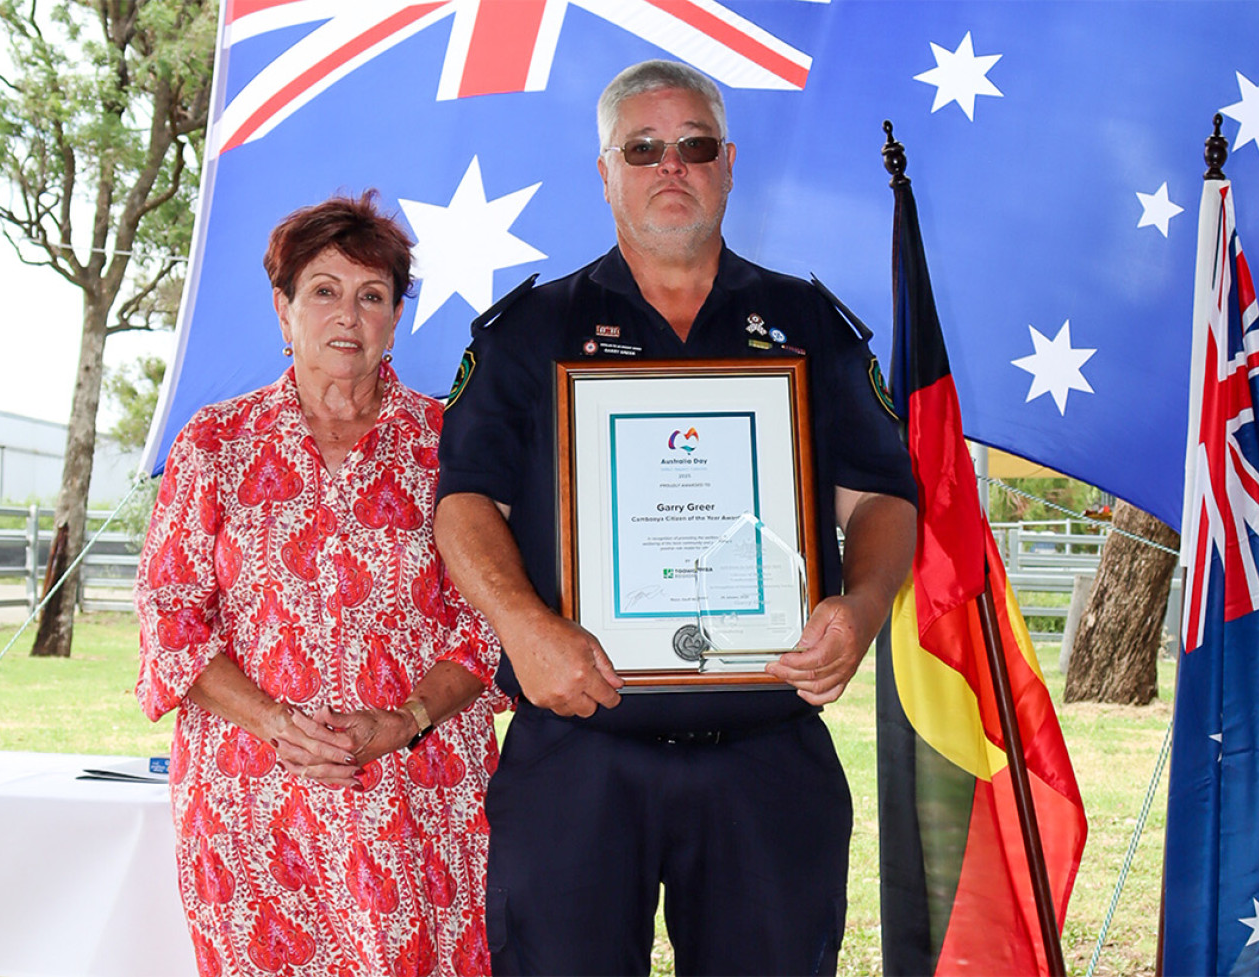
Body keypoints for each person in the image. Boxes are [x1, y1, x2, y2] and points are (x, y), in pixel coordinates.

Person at [434, 60, 918, 976]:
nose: (671, 166)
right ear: (606, 170)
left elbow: (885, 497)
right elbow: (464, 504)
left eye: (694, 145)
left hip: (766, 758)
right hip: (578, 756)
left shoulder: (808, 324)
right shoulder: (531, 331)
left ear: (729, 162)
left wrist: (860, 610)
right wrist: (525, 627)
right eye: (642, 148)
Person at [135, 191, 501, 977]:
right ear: (283, 308)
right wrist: (276, 721)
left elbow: (490, 622)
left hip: (420, 797)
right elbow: (169, 622)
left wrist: (406, 718)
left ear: (396, 317)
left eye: (372, 295)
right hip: (255, 809)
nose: (348, 315)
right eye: (324, 291)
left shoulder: (451, 448)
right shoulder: (215, 444)